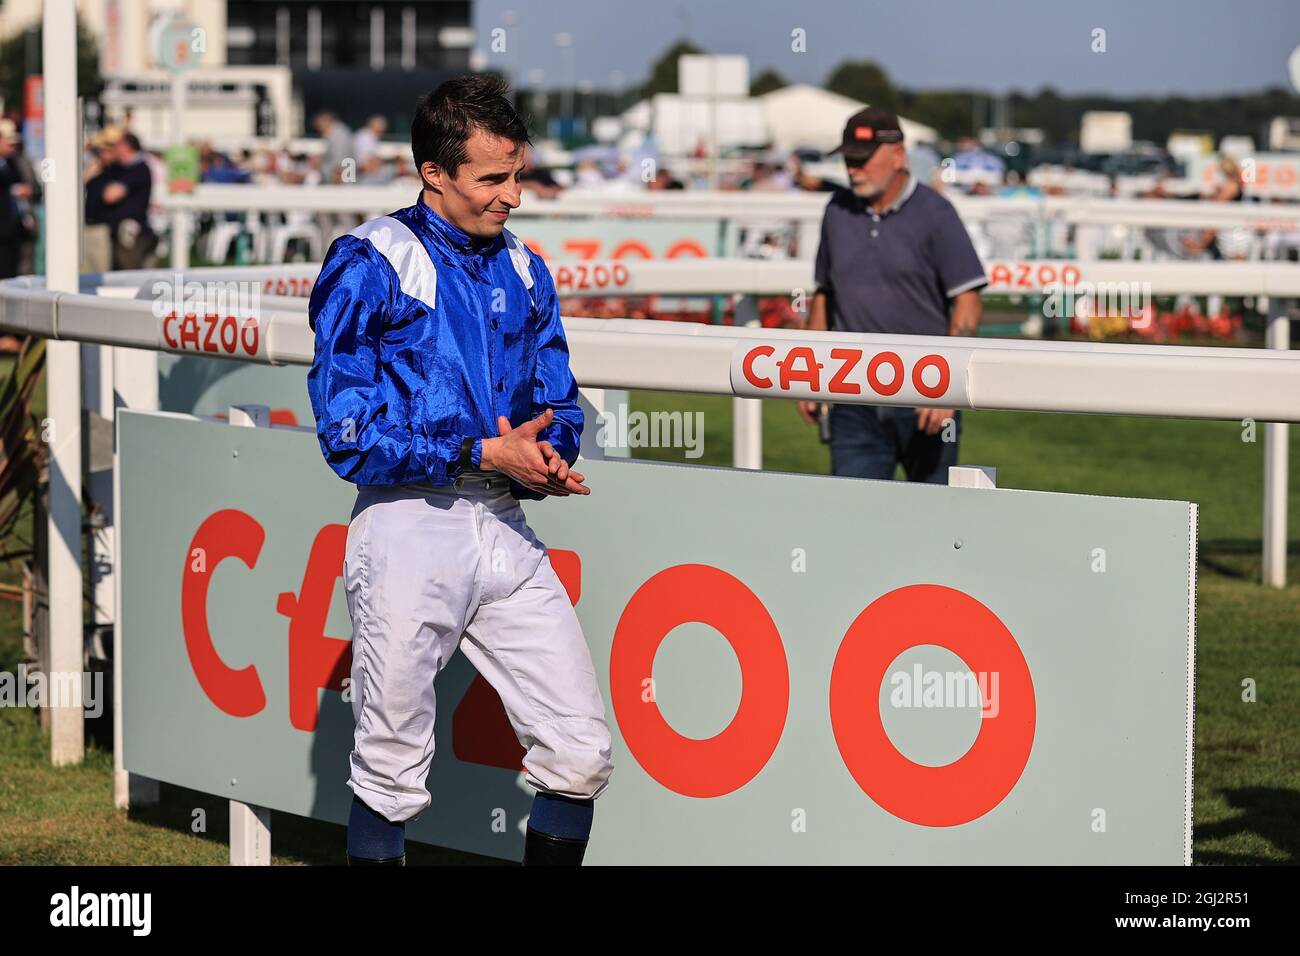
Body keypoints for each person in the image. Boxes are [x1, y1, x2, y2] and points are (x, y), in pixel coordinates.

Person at [307, 74, 613, 867]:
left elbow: (561, 400)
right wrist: (479, 450)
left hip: (504, 526)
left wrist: (550, 454)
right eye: (492, 178)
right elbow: (346, 432)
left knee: (580, 752)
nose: (514, 195)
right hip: (408, 526)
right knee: (391, 768)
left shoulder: (525, 267)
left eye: (519, 173)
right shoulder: (370, 260)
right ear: (434, 173)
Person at [797, 107, 986, 483]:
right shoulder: (836, 212)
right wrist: (809, 373)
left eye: (863, 160)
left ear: (898, 155)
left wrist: (946, 388)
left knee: (936, 528)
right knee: (856, 524)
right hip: (851, 396)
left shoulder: (937, 214)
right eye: (849, 160)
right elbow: (824, 294)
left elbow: (968, 299)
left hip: (924, 395)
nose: (853, 169)